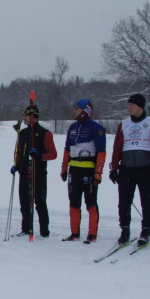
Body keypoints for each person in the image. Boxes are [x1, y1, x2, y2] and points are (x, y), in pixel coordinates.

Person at [109, 93, 150, 246]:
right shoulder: (124, 124)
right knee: (124, 202)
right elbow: (117, 147)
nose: (129, 108)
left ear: (140, 106)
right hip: (127, 169)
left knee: (147, 202)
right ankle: (124, 230)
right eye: (128, 105)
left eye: (131, 105)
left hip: (145, 169)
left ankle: (146, 230)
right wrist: (114, 168)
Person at [60, 99, 107, 243]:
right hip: (74, 170)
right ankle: (74, 233)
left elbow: (101, 151)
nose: (74, 111)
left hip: (89, 171)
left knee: (90, 202)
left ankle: (92, 234)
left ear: (85, 111)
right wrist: (64, 168)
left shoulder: (96, 128)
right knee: (74, 202)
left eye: (77, 109)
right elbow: (67, 149)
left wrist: (98, 172)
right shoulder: (72, 127)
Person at [11, 104, 57, 237]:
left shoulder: (45, 133)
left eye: (26, 115)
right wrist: (17, 165)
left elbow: (53, 154)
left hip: (38, 174)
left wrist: (40, 155)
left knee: (40, 203)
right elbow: (20, 152)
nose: (23, 118)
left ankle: (44, 232)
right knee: (24, 203)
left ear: (33, 116)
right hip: (24, 173)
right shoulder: (23, 133)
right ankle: (26, 228)